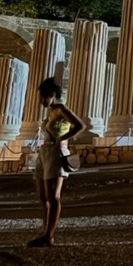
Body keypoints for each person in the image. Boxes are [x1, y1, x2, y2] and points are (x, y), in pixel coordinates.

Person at [29, 77, 85, 247]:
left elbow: (80, 126)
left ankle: (49, 235)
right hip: (44, 152)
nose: (41, 101)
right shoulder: (50, 112)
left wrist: (62, 138)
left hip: (56, 152)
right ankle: (45, 231)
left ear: (52, 95)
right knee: (43, 196)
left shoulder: (61, 109)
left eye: (43, 97)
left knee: (54, 196)